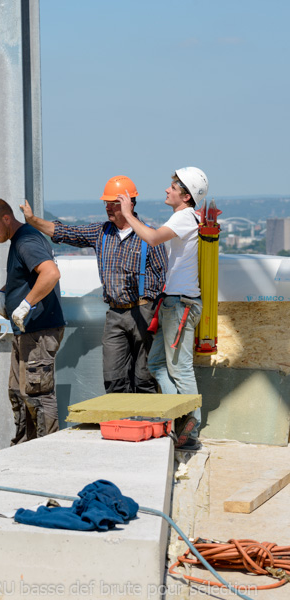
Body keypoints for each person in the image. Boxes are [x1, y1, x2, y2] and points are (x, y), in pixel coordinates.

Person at [21, 175, 168, 394]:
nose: (108, 208)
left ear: (129, 203)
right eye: (106, 203)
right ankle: (121, 424)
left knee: (144, 378)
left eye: (114, 203)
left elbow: (162, 277)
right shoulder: (101, 232)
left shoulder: (148, 236)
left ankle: (145, 424)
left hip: (144, 312)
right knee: (113, 377)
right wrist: (33, 221)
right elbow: (65, 232)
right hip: (116, 314)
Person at [119, 167, 209, 450]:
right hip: (174, 302)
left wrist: (128, 215)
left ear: (185, 195)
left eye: (172, 186)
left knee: (180, 369)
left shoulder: (184, 217)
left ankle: (191, 426)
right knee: (157, 364)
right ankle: (179, 418)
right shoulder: (186, 215)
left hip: (180, 304)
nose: (167, 190)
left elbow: (154, 238)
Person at [0, 198, 65, 445]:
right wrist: (6, 292)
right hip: (25, 330)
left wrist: (26, 304)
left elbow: (51, 273)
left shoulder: (26, 240)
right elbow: (26, 277)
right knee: (18, 392)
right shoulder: (18, 241)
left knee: (38, 394)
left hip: (38, 329)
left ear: (7, 218)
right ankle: (25, 445)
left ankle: (47, 448)